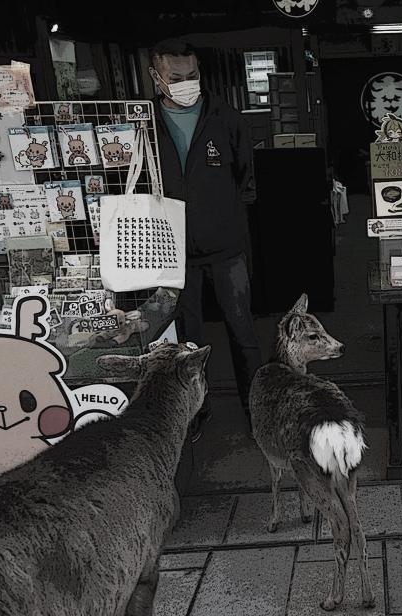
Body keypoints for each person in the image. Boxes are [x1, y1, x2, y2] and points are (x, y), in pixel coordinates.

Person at [149, 39, 262, 440]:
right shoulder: (146, 122)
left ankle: (257, 411)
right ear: (156, 77)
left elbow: (246, 181)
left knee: (242, 332)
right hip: (172, 250)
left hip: (226, 248)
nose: (185, 83)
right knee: (186, 341)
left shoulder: (226, 118)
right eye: (175, 78)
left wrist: (222, 215)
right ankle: (197, 411)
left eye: (192, 76)